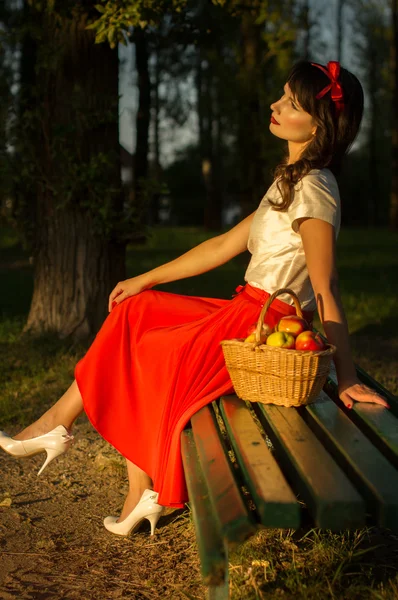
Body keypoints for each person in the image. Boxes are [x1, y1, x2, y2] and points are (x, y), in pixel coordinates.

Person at [0, 60, 390, 537]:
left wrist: (345, 376)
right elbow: (222, 246)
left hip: (265, 324)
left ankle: (124, 478)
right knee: (136, 311)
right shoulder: (289, 182)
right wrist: (145, 277)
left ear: (318, 123)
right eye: (281, 95)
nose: (274, 105)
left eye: (289, 103)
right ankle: (64, 429)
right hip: (244, 307)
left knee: (150, 352)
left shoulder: (316, 190)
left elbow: (326, 288)